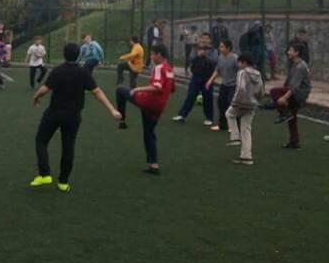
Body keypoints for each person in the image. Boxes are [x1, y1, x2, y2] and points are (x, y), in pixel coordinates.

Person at [30, 42, 122, 191]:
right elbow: (97, 92)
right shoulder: (83, 72)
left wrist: (36, 97)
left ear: (64, 54)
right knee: (68, 147)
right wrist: (112, 110)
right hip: (73, 116)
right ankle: (63, 182)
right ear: (78, 55)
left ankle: (44, 174)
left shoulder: (58, 70)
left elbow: (45, 89)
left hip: (54, 113)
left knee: (41, 140)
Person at [116, 44, 175, 175]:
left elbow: (157, 87)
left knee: (120, 90)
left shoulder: (159, 67)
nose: (151, 57)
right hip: (159, 106)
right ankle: (154, 165)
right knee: (149, 132)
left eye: (153, 54)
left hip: (148, 102)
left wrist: (138, 89)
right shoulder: (169, 69)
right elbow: (172, 88)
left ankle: (122, 121)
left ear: (159, 55)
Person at [270, 43, 311, 150]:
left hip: (298, 94)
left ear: (297, 53)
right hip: (295, 93)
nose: (288, 52)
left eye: (290, 50)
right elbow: (288, 83)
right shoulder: (295, 64)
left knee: (274, 91)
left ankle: (284, 113)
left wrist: (284, 98)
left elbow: (294, 87)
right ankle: (294, 141)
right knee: (292, 118)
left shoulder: (300, 66)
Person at [227, 54, 265, 166]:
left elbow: (241, 88)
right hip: (252, 104)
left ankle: (235, 137)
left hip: (241, 102)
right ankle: (247, 157)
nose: (238, 64)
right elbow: (261, 90)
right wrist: (257, 100)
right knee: (246, 129)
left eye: (239, 62)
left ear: (244, 62)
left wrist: (235, 102)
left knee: (229, 114)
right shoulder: (258, 74)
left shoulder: (242, 73)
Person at [172, 42, 216, 126]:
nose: (202, 51)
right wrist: (198, 56)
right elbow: (191, 62)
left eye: (206, 38)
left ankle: (209, 118)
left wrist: (206, 56)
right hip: (196, 78)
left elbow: (214, 64)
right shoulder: (195, 51)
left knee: (208, 99)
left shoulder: (212, 53)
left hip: (207, 79)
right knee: (190, 96)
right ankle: (182, 115)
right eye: (203, 38)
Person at [207, 39, 238, 134]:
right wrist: (210, 80)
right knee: (221, 104)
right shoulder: (220, 57)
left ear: (228, 48)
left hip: (233, 85)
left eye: (222, 46)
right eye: (220, 46)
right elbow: (217, 70)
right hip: (224, 84)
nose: (220, 48)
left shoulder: (235, 58)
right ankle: (222, 125)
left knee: (231, 104)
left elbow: (240, 72)